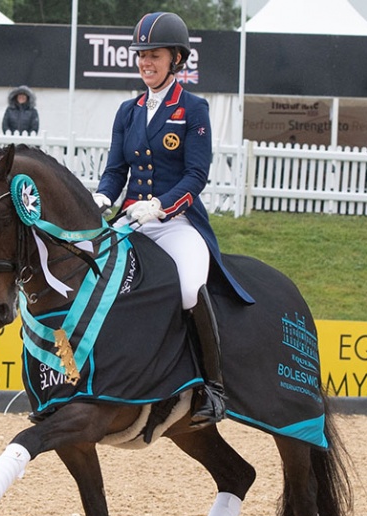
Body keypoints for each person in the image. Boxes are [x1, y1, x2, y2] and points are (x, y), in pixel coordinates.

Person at [92, 12, 254, 427]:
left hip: (177, 222)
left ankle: (213, 388)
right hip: (132, 219)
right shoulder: (128, 112)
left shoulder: (193, 109)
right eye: (141, 55)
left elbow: (195, 176)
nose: (146, 62)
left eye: (154, 55)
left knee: (187, 289)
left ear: (176, 59)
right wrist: (100, 199)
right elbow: (116, 172)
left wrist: (159, 206)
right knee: (93, 276)